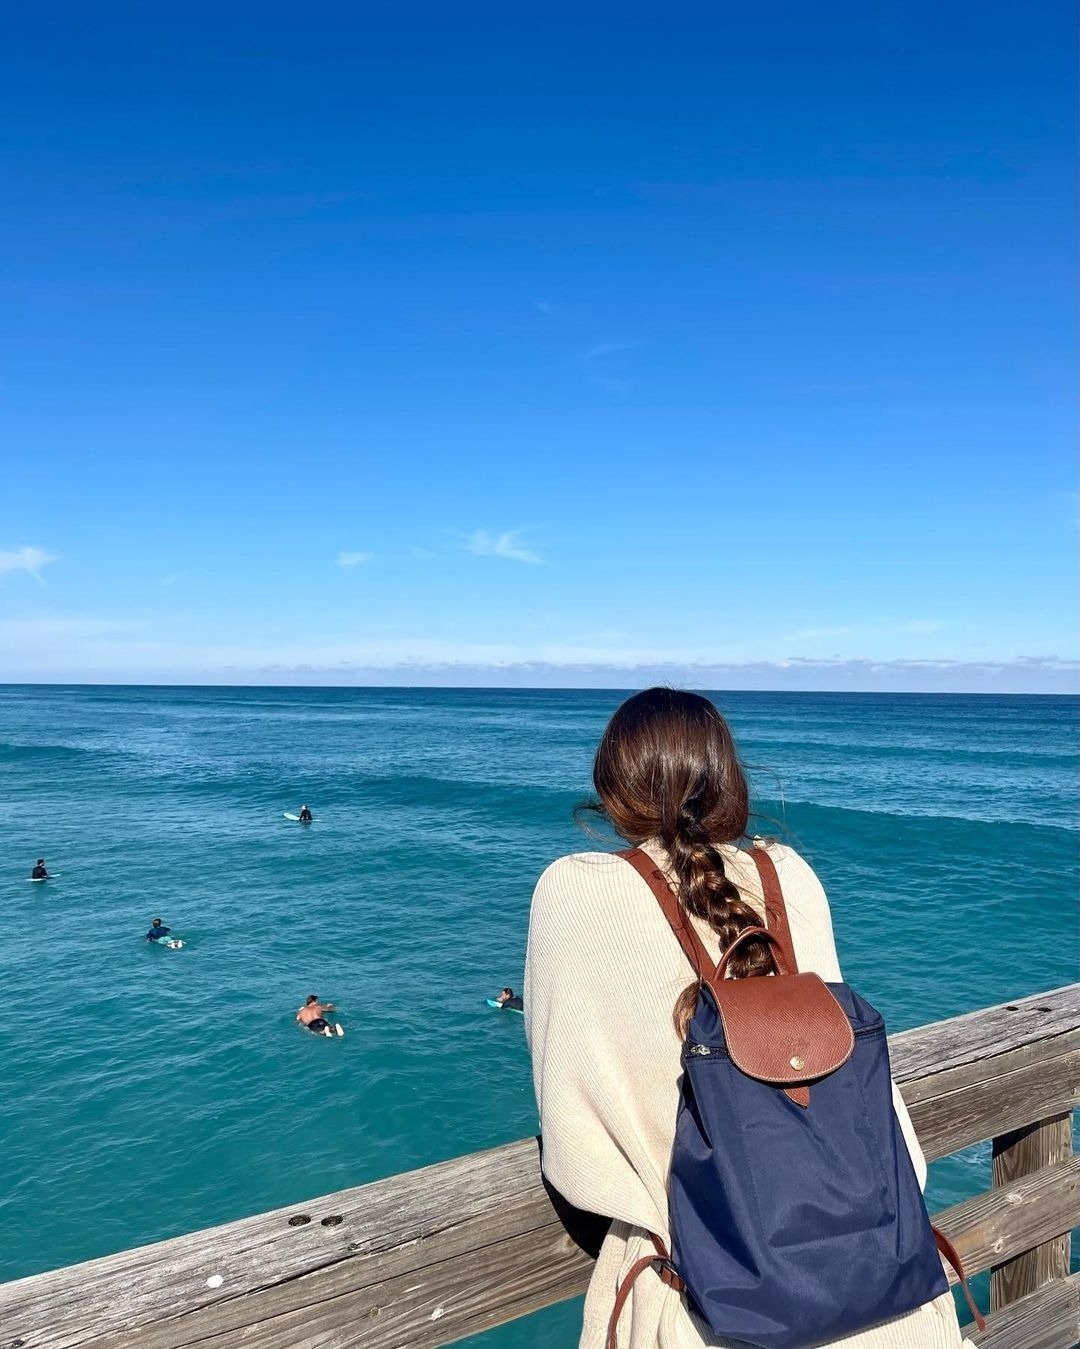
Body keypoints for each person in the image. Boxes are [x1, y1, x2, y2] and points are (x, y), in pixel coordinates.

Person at [524, 688, 968, 1349]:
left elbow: (573, 1137)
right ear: (728, 779)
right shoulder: (789, 873)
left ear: (612, 784)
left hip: (714, 1311)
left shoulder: (576, 889)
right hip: (889, 1296)